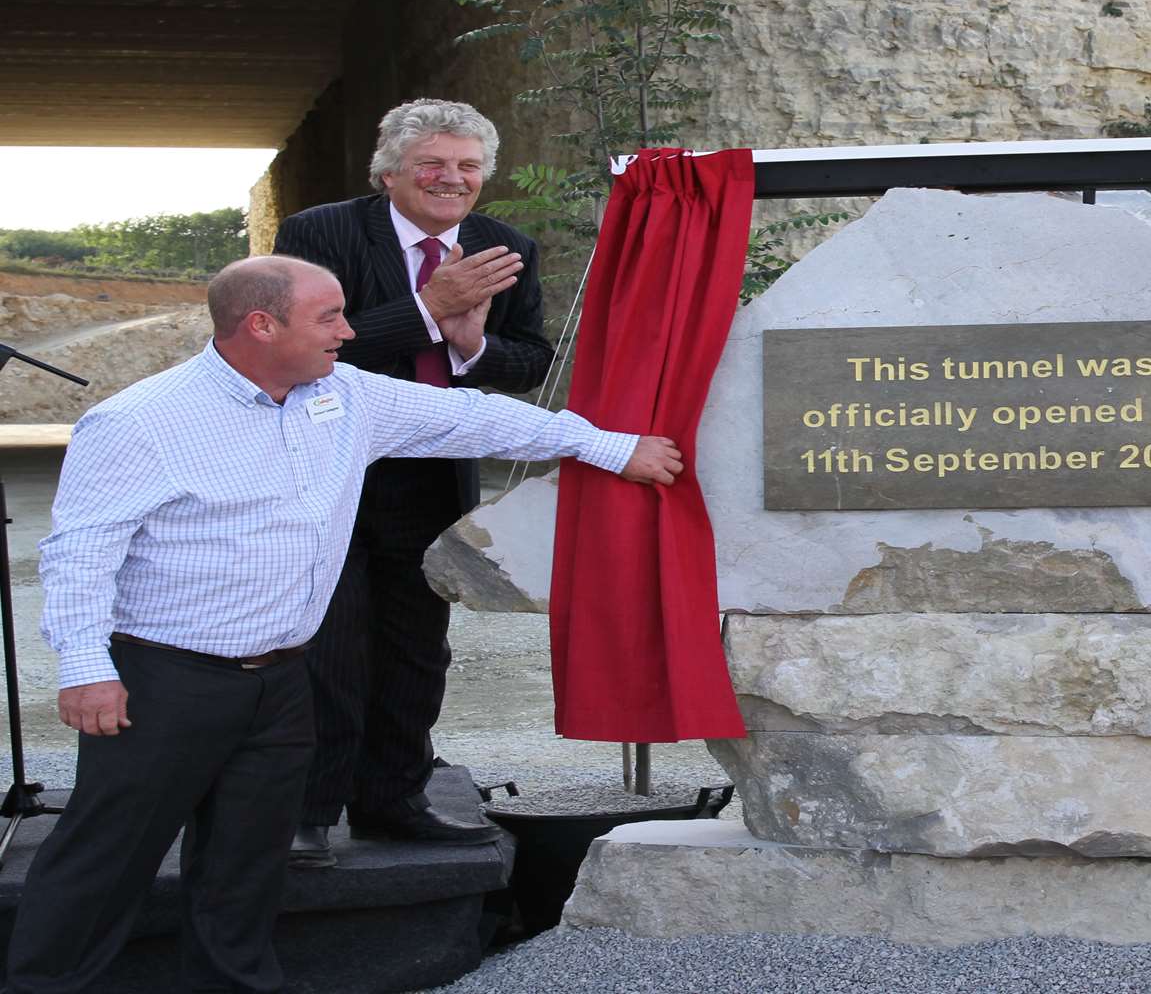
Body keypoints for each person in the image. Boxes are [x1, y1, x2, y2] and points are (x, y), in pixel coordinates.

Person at [7, 256, 680, 994]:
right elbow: (78, 553)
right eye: (329, 316)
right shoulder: (139, 422)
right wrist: (84, 667)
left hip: (283, 681)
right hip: (162, 682)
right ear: (262, 325)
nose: (350, 331)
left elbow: (472, 417)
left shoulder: (345, 395)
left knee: (247, 867)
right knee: (106, 861)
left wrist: (611, 447)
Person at [272, 99, 549, 865]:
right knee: (328, 648)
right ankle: (306, 811)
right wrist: (430, 309)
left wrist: (471, 347)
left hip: (430, 477)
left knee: (417, 649)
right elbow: (306, 349)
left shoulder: (505, 247)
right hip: (333, 471)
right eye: (433, 163)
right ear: (389, 171)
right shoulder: (318, 235)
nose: (450, 179)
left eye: (467, 167)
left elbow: (531, 362)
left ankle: (394, 801)